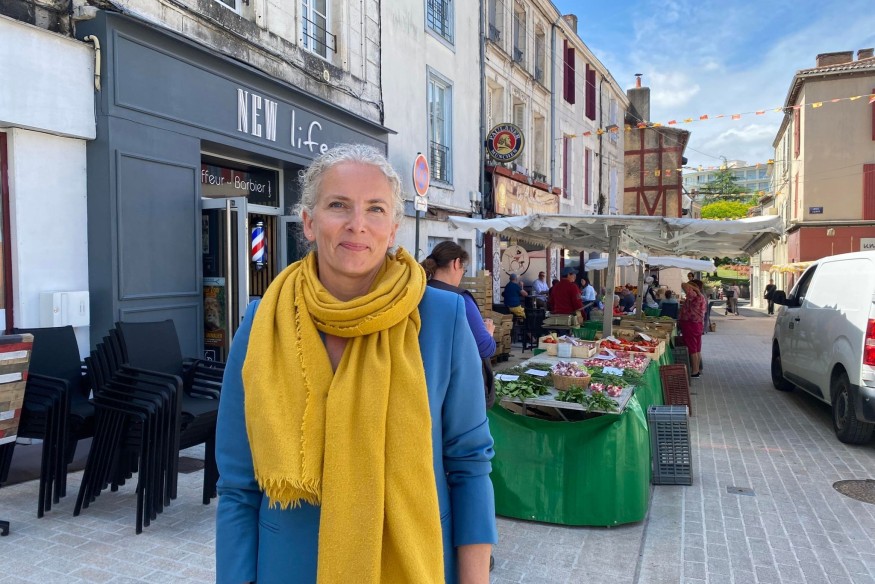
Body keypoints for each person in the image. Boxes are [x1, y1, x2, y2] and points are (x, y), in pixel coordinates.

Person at [215, 144, 497, 584]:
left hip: (411, 564)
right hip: (290, 567)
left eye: (375, 209)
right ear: (309, 222)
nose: (357, 224)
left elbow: (470, 466)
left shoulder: (444, 320)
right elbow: (237, 485)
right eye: (338, 205)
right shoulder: (262, 325)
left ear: (394, 228)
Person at [422, 241, 497, 408]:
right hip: (459, 389)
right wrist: (488, 332)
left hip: (425, 381)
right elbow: (485, 348)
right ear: (456, 263)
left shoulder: (419, 293)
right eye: (464, 269)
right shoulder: (460, 299)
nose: (462, 274)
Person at [679, 278, 707, 378]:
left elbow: (683, 284)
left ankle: (695, 372)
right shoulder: (701, 297)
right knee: (697, 348)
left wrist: (693, 287)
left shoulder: (694, 295)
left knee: (692, 349)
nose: (688, 290)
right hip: (697, 325)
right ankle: (697, 369)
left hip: (690, 325)